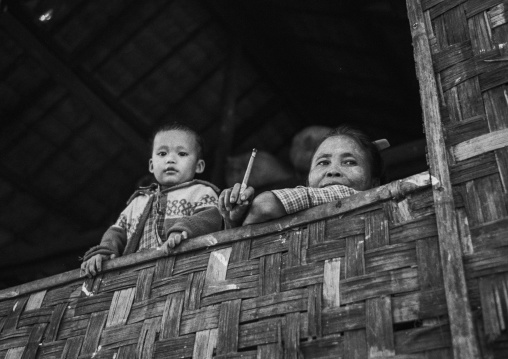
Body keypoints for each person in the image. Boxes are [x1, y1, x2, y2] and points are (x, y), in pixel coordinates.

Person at [81, 122, 222, 277]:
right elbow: (116, 232)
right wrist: (104, 252)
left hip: (181, 271)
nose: (170, 159)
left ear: (199, 166)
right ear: (151, 165)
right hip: (133, 278)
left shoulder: (202, 192)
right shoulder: (137, 202)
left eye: (182, 154)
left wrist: (182, 231)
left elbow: (212, 218)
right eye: (162, 154)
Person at [219, 125, 385, 227]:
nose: (332, 170)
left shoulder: (348, 194)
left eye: (349, 162)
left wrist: (245, 218)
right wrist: (232, 220)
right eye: (323, 163)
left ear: (374, 183)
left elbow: (264, 207)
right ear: (308, 181)